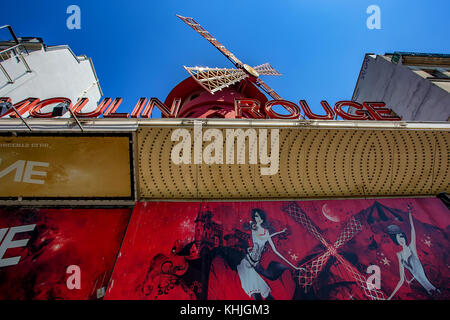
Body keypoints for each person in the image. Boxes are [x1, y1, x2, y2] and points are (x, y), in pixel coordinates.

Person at [236, 208, 303, 300]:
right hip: (248, 263)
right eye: (256, 216)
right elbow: (260, 235)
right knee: (257, 295)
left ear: (262, 217)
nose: (257, 218)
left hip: (255, 264)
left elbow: (276, 251)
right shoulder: (254, 228)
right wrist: (275, 233)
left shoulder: (266, 232)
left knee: (267, 295)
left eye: (259, 216)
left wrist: (295, 267)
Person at [386, 205, 439, 300]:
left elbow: (412, 229)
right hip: (428, 293)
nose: (401, 238)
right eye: (398, 237)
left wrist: (409, 213)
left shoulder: (411, 247)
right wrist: (389, 298)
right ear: (395, 240)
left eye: (401, 236)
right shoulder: (399, 255)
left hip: (434, 290)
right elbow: (401, 280)